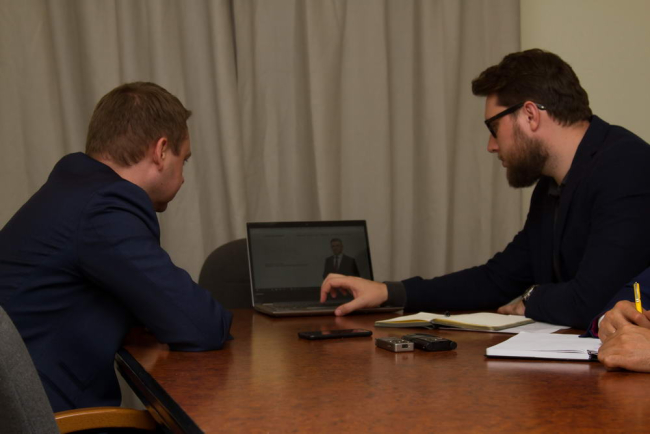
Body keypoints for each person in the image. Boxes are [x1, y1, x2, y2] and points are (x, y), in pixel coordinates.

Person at [320, 49, 650, 329]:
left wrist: (531, 298)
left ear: (530, 115)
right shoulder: (551, 186)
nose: (491, 146)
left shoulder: (627, 166)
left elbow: (592, 302)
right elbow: (497, 279)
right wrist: (388, 292)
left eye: (494, 128)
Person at [0, 82, 233, 412]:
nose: (182, 177)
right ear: (161, 151)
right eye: (185, 159)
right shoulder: (106, 205)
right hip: (50, 418)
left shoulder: (73, 188)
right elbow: (202, 325)